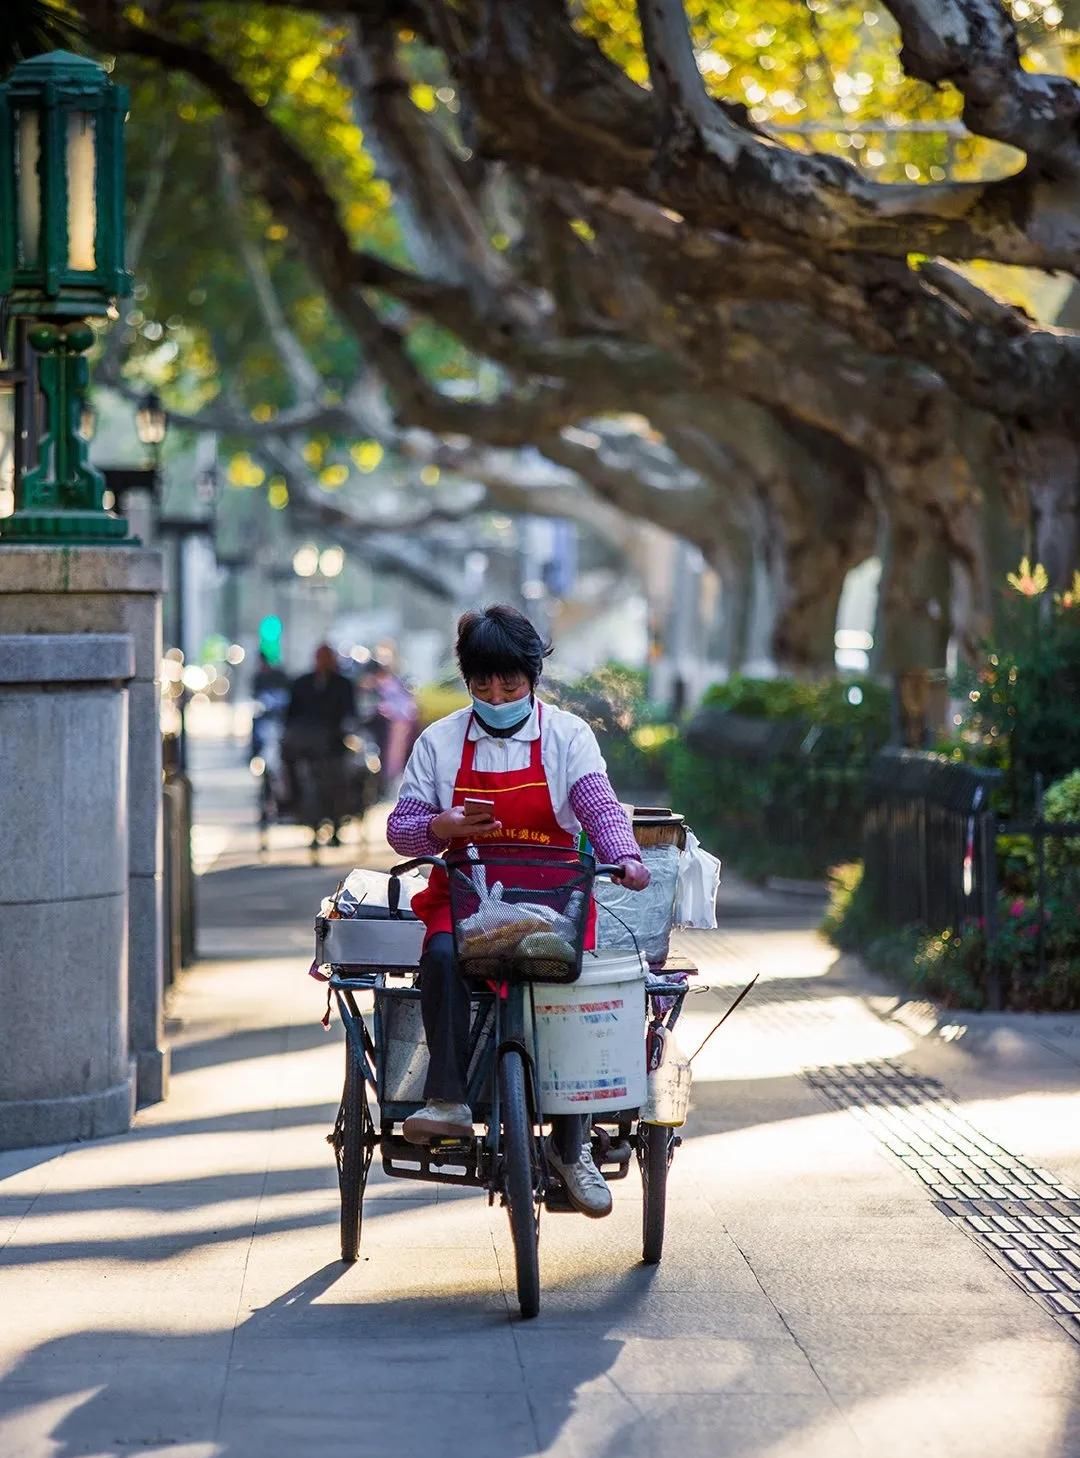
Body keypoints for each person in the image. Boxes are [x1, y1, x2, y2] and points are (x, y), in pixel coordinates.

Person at [386, 605, 650, 1218]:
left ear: (533, 678)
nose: (497, 695)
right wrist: (438, 825)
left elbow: (599, 807)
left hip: (553, 901)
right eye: (483, 685)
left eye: (510, 684)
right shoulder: (440, 741)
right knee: (443, 955)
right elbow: (402, 828)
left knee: (569, 991)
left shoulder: (567, 736)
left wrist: (626, 857)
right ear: (469, 682)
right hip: (467, 895)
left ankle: (571, 1143)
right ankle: (447, 1099)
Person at [284, 644, 357, 849]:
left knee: (339, 780)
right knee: (296, 772)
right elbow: (290, 716)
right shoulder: (301, 683)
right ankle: (294, 804)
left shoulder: (343, 684)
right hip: (305, 746)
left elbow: (351, 715)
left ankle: (336, 823)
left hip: (334, 745)